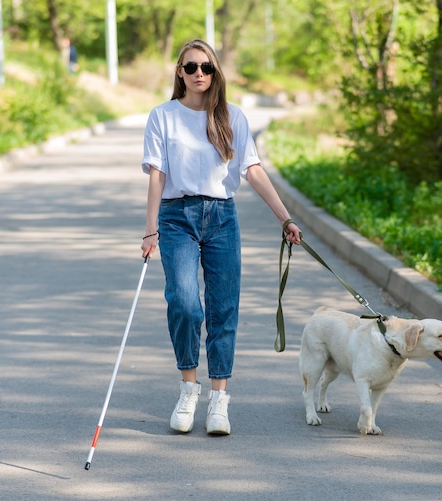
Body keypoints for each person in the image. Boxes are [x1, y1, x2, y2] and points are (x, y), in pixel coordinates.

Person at [140, 39, 301, 435]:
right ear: (179, 72)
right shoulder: (163, 116)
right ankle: (188, 389)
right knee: (184, 304)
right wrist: (150, 229)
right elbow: (157, 175)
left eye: (206, 68)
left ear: (215, 72)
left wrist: (285, 218)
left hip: (222, 217)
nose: (199, 74)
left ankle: (219, 401)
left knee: (222, 310)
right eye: (191, 67)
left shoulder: (232, 117)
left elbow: (254, 170)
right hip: (176, 217)